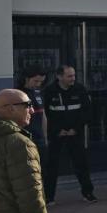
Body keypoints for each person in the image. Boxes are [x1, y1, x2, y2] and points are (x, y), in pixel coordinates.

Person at [42, 65, 95, 204]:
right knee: (51, 166)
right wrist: (56, 130)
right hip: (56, 135)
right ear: (59, 77)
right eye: (69, 76)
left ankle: (88, 192)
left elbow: (87, 112)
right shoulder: (49, 91)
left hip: (75, 134)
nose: (73, 79)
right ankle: (49, 197)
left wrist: (76, 129)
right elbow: (46, 114)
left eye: (74, 76)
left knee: (81, 164)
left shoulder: (80, 90)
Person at [16, 67, 48, 165]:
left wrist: (45, 137)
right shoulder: (18, 93)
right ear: (27, 78)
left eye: (41, 82)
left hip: (39, 137)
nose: (38, 84)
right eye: (36, 81)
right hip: (25, 136)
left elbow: (43, 115)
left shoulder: (38, 93)